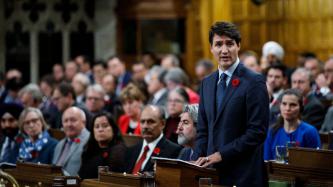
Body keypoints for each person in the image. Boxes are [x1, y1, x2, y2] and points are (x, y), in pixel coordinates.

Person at [193, 21, 269, 187]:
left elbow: (257, 132)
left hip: (244, 175)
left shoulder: (254, 81)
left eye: (230, 44)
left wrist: (222, 154)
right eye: (218, 44)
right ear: (211, 48)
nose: (224, 50)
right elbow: (203, 130)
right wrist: (195, 162)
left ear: (238, 45)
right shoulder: (207, 82)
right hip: (212, 174)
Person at [264, 89, 321, 160]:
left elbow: (315, 161)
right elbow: (266, 161)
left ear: (301, 108)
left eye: (293, 105)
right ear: (279, 106)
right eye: (284, 104)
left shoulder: (309, 131)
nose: (287, 108)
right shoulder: (272, 132)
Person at [125, 105, 182, 174]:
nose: (145, 126)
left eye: (151, 122)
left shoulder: (173, 151)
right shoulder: (131, 150)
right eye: (142, 122)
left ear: (163, 124)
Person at [79, 112, 126, 179]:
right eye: (97, 127)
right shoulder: (89, 149)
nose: (100, 129)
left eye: (105, 126)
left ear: (113, 129)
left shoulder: (118, 150)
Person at [52, 107, 90, 176]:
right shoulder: (59, 144)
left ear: (84, 122)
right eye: (65, 121)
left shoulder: (90, 141)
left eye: (73, 120)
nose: (69, 124)